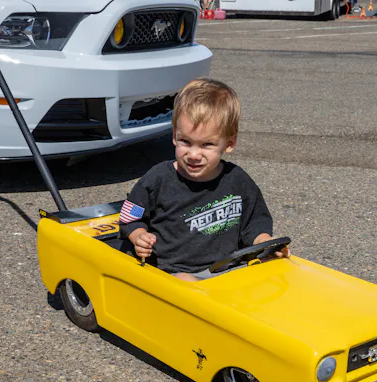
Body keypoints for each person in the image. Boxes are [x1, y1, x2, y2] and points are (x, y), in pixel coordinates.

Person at [118, 78, 289, 281]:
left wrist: (264, 241)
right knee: (188, 284)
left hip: (229, 267)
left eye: (207, 145)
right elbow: (130, 217)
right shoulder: (158, 179)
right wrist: (139, 236)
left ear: (229, 143)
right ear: (174, 136)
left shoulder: (237, 180)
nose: (193, 155)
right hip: (176, 272)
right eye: (185, 141)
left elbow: (255, 221)